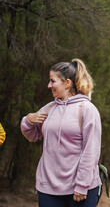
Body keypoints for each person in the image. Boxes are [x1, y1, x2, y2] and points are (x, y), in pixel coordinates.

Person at [21, 59, 102, 207]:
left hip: (79, 188)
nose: (49, 85)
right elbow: (32, 135)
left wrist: (82, 184)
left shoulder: (87, 109)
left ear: (67, 83)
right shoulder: (50, 108)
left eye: (53, 81)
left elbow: (91, 150)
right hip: (48, 188)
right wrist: (29, 120)